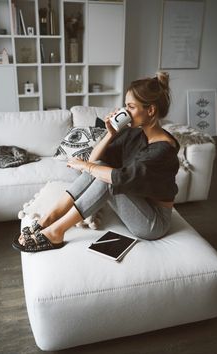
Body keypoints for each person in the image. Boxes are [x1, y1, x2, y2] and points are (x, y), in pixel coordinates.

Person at [12, 71, 180, 253]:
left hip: (153, 222)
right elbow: (94, 160)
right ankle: (48, 219)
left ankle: (57, 231)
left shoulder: (163, 149)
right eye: (125, 106)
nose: (125, 112)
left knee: (108, 180)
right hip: (138, 203)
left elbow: (117, 177)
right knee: (100, 168)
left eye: (131, 107)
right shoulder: (135, 133)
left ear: (151, 110)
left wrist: (86, 166)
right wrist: (110, 133)